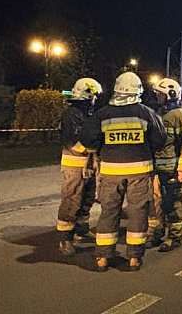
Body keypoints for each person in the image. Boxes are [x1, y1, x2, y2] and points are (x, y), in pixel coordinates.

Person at [79, 71, 166, 272]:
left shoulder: (102, 114)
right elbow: (159, 139)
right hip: (140, 170)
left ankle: (103, 257)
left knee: (109, 211)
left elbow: (87, 138)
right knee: (138, 211)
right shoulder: (146, 113)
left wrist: (100, 148)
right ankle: (134, 257)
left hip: (111, 171)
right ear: (138, 91)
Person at [148, 78, 182, 252]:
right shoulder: (160, 114)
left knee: (172, 204)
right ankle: (157, 233)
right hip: (157, 169)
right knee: (156, 203)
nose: (158, 97)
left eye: (160, 94)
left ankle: (175, 237)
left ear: (170, 94)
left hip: (172, 170)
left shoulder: (179, 116)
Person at [57, 77, 102, 256]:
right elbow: (72, 141)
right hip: (75, 165)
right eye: (93, 96)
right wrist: (90, 152)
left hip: (87, 164)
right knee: (72, 200)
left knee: (87, 198)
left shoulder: (86, 115)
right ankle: (65, 238)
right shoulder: (71, 114)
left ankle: (81, 229)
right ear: (86, 95)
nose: (95, 100)